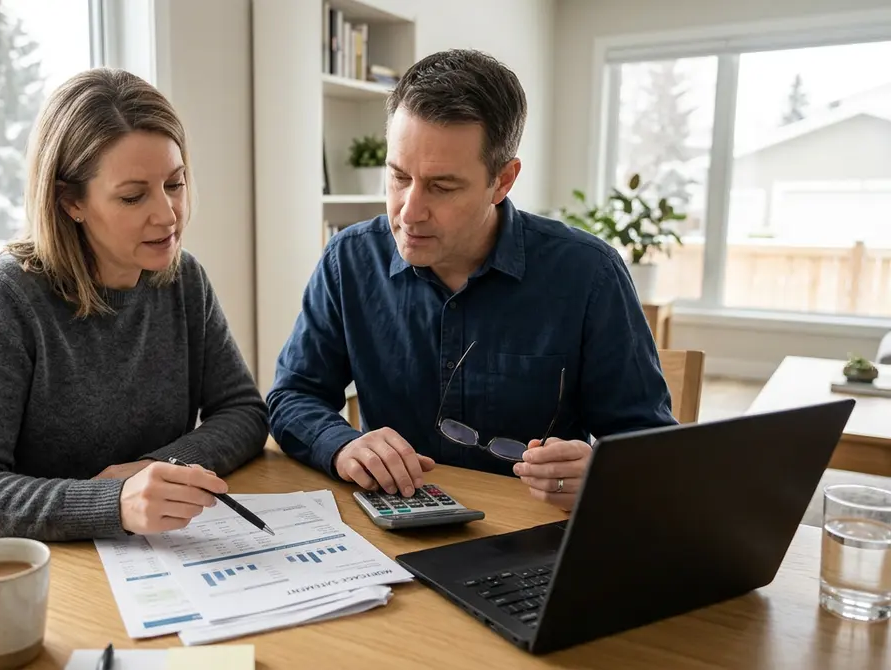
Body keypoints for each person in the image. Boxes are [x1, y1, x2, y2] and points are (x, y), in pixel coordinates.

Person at [266, 49, 676, 512]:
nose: (409, 211)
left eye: (442, 187)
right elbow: (292, 395)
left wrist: (603, 471)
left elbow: (652, 446)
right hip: (392, 538)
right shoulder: (349, 260)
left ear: (503, 181)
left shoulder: (590, 274)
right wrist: (340, 443)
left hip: (530, 537)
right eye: (399, 176)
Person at [0, 68, 269, 571]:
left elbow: (244, 413)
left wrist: (156, 468)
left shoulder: (183, 281)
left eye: (175, 183)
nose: (168, 215)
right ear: (70, 200)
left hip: (113, 559)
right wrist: (113, 502)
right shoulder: (5, 298)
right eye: (134, 196)